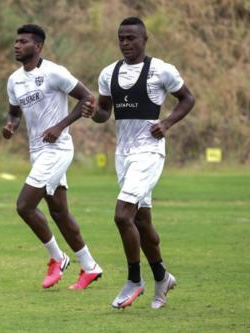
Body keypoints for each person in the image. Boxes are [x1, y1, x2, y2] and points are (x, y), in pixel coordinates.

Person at [83, 17, 195, 308]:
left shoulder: (161, 70)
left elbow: (187, 99)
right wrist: (92, 111)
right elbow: (104, 112)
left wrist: (167, 123)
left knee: (122, 216)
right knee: (142, 223)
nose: (125, 43)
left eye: (131, 38)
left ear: (145, 39)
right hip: (123, 155)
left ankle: (134, 280)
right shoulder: (109, 73)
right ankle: (162, 276)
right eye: (121, 38)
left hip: (149, 152)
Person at [3, 24, 103, 289]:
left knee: (24, 206)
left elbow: (87, 99)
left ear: (38, 47)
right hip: (37, 152)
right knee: (59, 212)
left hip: (57, 150)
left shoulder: (54, 73)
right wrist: (11, 125)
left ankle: (57, 258)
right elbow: (14, 111)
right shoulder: (14, 80)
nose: (16, 45)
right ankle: (90, 266)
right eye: (16, 41)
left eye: (23, 41)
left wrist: (60, 126)